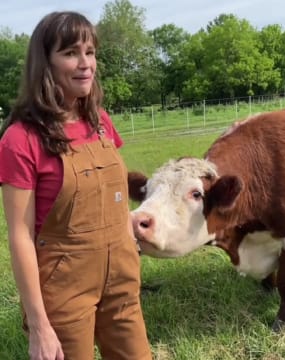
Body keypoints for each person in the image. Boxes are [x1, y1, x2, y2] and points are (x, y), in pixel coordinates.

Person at [0, 11, 152, 360]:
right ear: (45, 63)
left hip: (122, 277)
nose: (85, 64)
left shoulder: (100, 122)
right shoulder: (21, 139)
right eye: (70, 53)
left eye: (90, 52)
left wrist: (124, 220)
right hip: (64, 288)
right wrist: (40, 326)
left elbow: (108, 190)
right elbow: (20, 236)